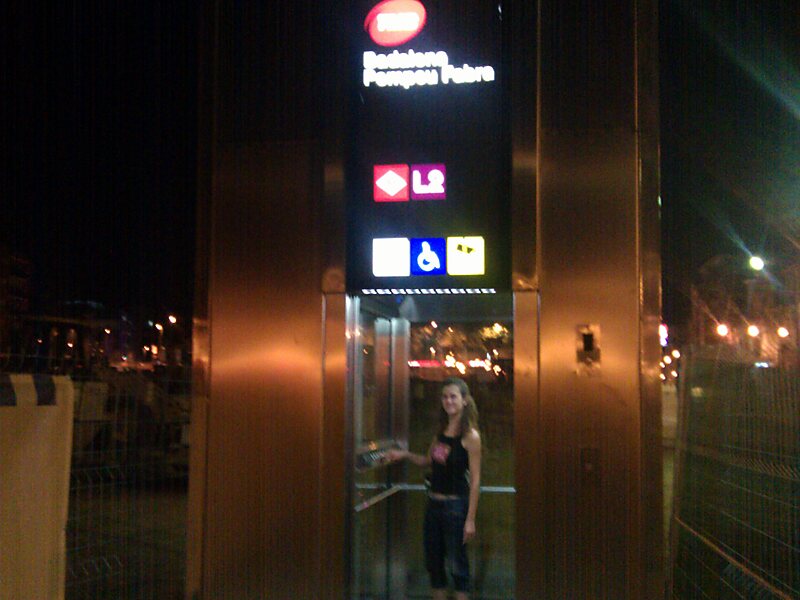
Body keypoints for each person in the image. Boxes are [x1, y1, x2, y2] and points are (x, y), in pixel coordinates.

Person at [388, 377, 482, 600]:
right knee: (434, 565)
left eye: (453, 396)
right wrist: (404, 454)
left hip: (455, 507)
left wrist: (470, 519)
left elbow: (476, 480)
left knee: (458, 567)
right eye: (444, 397)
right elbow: (428, 461)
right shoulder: (441, 432)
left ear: (464, 400)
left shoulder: (470, 436)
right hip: (434, 506)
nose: (448, 401)